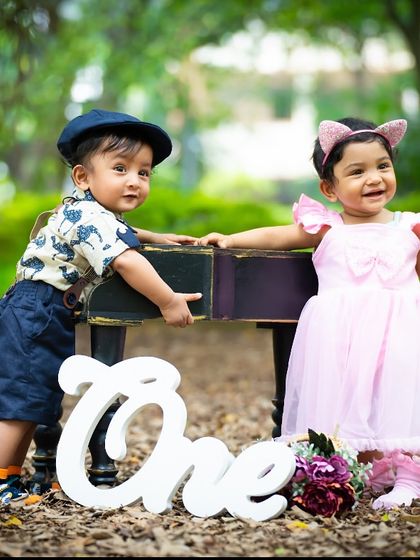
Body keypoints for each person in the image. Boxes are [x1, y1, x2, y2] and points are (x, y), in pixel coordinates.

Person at [196, 116, 420, 510]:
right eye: (357, 171)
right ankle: (354, 469)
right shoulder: (327, 227)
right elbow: (277, 234)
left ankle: (409, 476)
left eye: (382, 166)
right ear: (329, 188)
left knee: (401, 399)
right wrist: (229, 239)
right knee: (345, 403)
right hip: (339, 339)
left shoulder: (409, 227)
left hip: (400, 333)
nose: (374, 178)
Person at [0, 108, 202, 504]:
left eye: (144, 173)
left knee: (34, 400)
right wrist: (168, 299)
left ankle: (10, 477)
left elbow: (125, 233)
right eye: (121, 168)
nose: (135, 181)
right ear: (83, 177)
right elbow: (126, 259)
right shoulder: (89, 216)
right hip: (36, 312)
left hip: (41, 311)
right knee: (19, 401)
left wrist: (159, 237)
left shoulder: (87, 211)